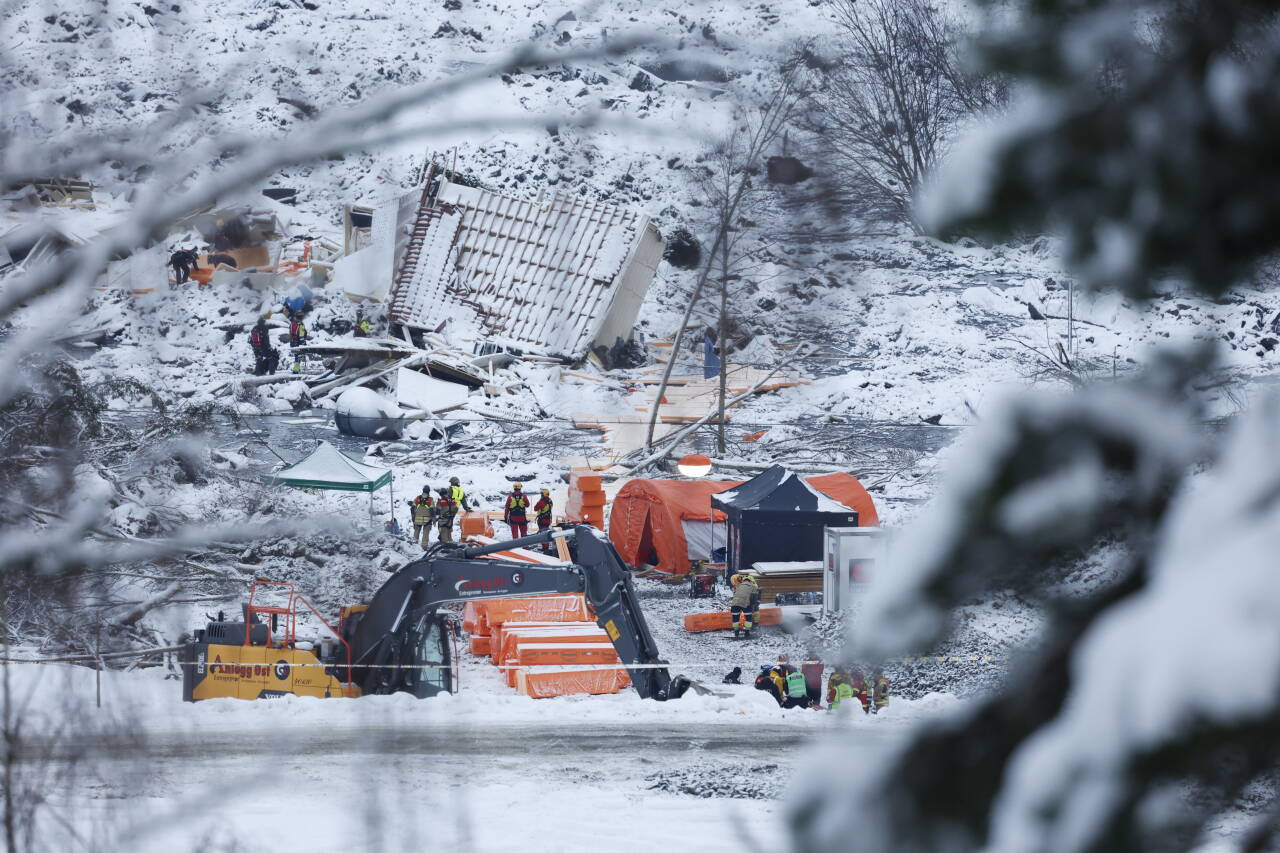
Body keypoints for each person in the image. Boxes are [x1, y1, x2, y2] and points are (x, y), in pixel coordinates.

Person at [729, 573, 759, 639]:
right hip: (745, 603)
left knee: (735, 618)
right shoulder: (753, 586)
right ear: (751, 581)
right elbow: (754, 598)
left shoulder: (738, 585)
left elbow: (736, 594)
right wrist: (753, 607)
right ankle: (747, 632)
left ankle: (736, 632)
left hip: (734, 604)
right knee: (748, 618)